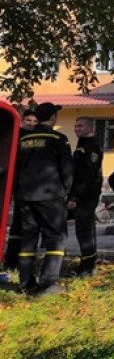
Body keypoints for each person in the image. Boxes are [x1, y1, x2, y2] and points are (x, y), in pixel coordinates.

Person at [15, 103, 73, 296]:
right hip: (50, 195)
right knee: (56, 237)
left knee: (28, 237)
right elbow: (66, 170)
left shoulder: (23, 139)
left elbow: (16, 167)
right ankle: (48, 283)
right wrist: (65, 191)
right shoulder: (58, 138)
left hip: (25, 195)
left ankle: (25, 282)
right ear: (53, 117)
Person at [68, 117, 104, 276]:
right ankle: (87, 263)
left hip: (86, 196)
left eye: (80, 126)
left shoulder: (91, 146)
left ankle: (88, 266)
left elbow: (87, 175)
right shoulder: (82, 145)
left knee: (85, 230)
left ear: (90, 128)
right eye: (75, 126)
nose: (77, 129)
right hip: (82, 194)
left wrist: (75, 196)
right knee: (83, 230)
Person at [3, 109, 38, 271]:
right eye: (28, 121)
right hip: (14, 181)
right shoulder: (16, 136)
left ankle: (18, 260)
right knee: (17, 223)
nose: (31, 124)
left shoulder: (37, 138)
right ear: (22, 121)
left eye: (35, 122)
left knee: (23, 223)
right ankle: (11, 259)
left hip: (28, 185)